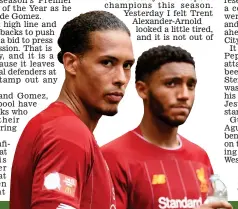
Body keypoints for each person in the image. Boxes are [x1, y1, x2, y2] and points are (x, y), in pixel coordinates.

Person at [10, 11, 134, 209]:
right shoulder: (67, 134)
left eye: (127, 65)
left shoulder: (60, 126)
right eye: (107, 62)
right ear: (71, 64)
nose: (121, 78)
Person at [101, 45, 232, 209]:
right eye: (171, 83)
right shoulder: (110, 157)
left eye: (191, 85)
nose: (184, 95)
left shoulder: (200, 157)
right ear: (142, 90)